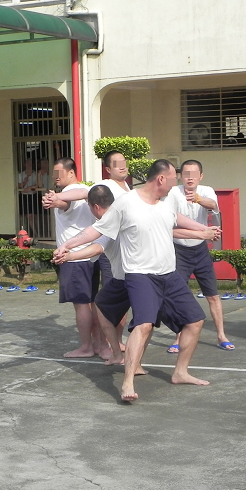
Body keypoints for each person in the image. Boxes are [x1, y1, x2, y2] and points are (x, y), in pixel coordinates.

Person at [55, 159, 213, 402]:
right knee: (144, 324)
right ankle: (128, 380)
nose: (175, 184)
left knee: (195, 320)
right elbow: (96, 232)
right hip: (140, 274)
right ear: (161, 179)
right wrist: (67, 245)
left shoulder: (165, 204)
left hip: (168, 275)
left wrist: (202, 230)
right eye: (172, 179)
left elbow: (176, 221)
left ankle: (180, 372)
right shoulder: (126, 203)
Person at [164, 159, 234, 352]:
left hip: (201, 250)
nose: (189, 178)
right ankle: (178, 338)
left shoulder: (206, 190)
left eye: (194, 174)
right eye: (186, 174)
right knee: (177, 295)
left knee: (213, 295)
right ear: (180, 175)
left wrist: (197, 198)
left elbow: (212, 205)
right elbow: (169, 222)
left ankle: (221, 335)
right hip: (178, 250)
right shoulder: (172, 192)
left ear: (200, 177)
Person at [43, 157, 106, 359]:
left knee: (81, 305)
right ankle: (97, 344)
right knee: (92, 302)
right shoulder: (86, 193)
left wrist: (53, 199)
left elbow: (62, 203)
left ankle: (86, 346)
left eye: (59, 173)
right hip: (90, 256)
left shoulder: (70, 196)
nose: (56, 178)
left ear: (71, 173)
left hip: (74, 258)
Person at [18, 158, 38, 235]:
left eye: (30, 163)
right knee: (29, 216)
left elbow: (38, 184)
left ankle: (37, 232)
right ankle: (35, 233)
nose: (29, 165)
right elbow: (18, 186)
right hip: (24, 197)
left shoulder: (35, 174)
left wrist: (30, 187)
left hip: (33, 196)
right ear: (24, 164)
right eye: (27, 163)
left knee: (35, 216)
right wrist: (24, 182)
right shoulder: (21, 175)